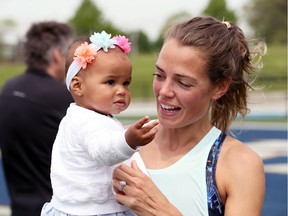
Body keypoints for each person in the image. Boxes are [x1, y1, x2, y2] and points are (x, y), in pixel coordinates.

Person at [112, 16, 267, 216]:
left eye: (183, 83)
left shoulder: (239, 164)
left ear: (220, 87)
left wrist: (158, 209)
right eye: (159, 75)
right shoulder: (115, 143)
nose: (164, 91)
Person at [40, 31, 159, 216]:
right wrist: (129, 141)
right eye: (110, 82)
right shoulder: (85, 121)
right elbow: (103, 150)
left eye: (126, 83)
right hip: (90, 211)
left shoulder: (93, 117)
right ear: (78, 86)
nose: (121, 90)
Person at [0, 21, 74, 216]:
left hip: (20, 209)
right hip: (57, 210)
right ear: (58, 55)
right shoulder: (66, 98)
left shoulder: (8, 90)